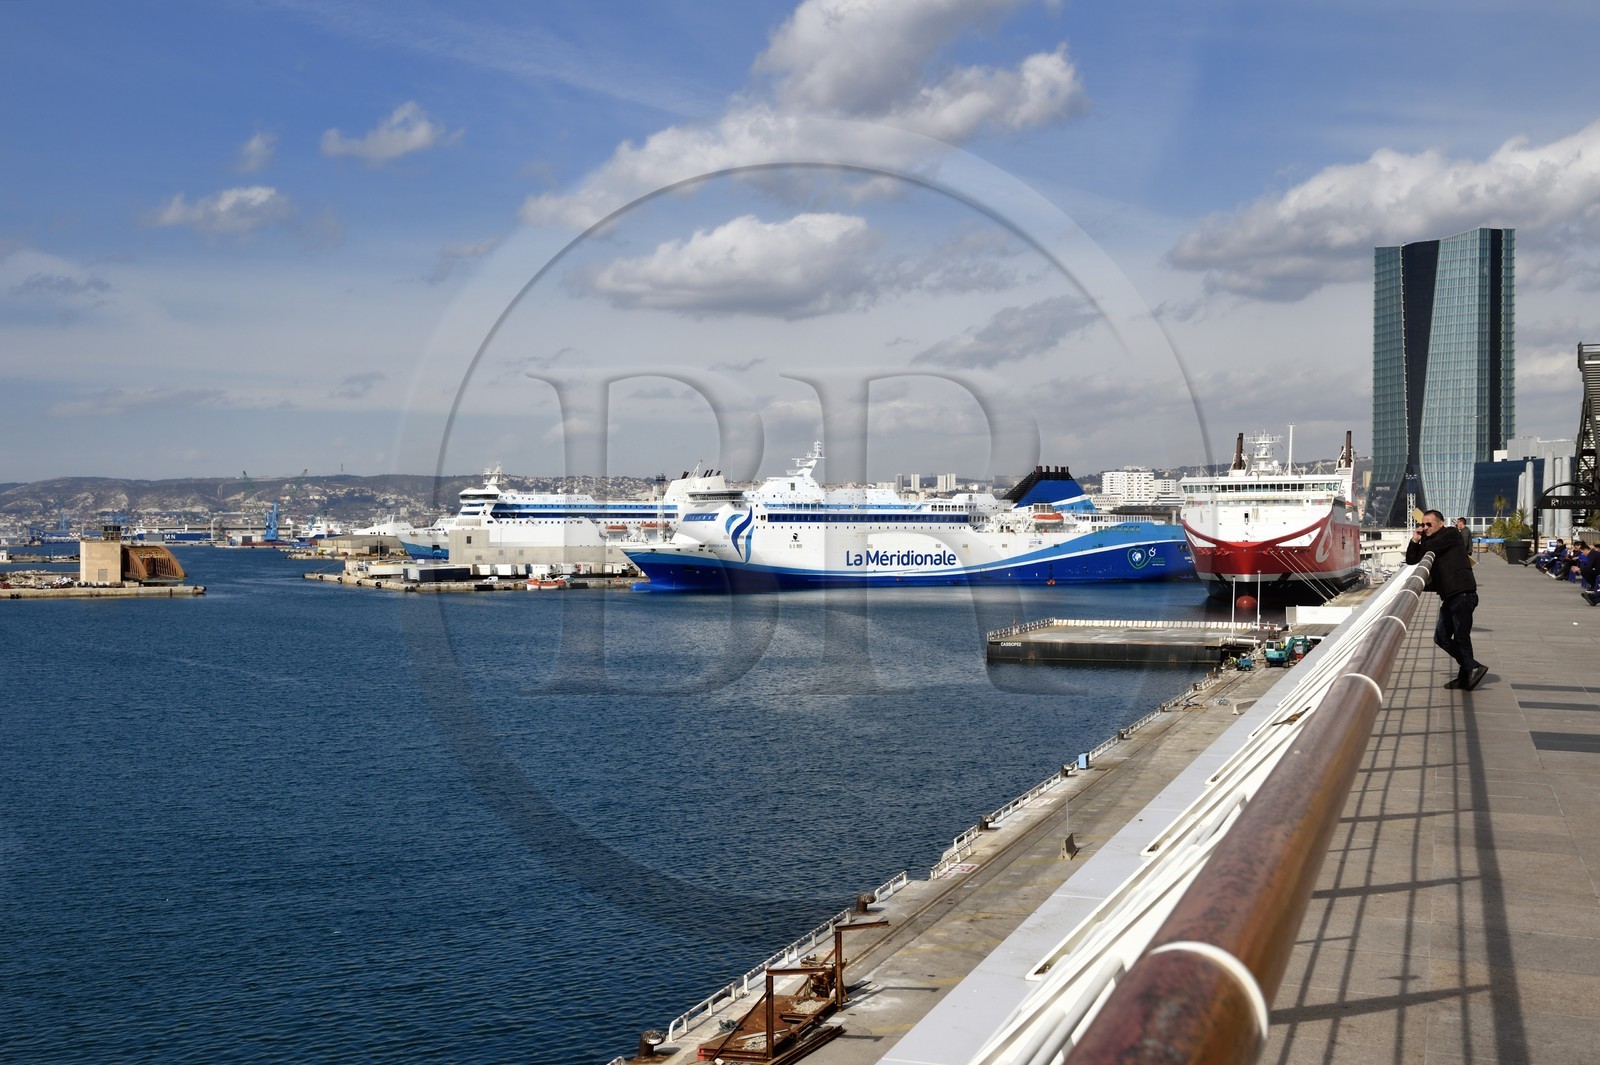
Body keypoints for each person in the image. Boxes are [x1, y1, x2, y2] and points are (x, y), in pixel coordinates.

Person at [1406, 509, 1488, 690]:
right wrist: (1414, 540)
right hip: (1450, 595)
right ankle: (1470, 669)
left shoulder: (1450, 534)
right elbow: (1411, 559)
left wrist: (1423, 540)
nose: (1425, 528)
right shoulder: (1431, 539)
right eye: (1423, 524)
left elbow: (1430, 548)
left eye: (1429, 524)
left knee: (1460, 637)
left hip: (1463, 593)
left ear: (1441, 523)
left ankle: (1471, 670)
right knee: (1441, 636)